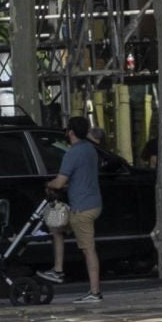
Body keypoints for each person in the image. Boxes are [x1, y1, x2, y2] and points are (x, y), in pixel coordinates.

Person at [43, 114, 103, 304]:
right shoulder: (90, 149)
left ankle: (95, 292)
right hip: (93, 203)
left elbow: (60, 182)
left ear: (70, 132)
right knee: (56, 225)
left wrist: (49, 184)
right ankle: (58, 269)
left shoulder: (72, 153)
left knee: (88, 250)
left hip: (81, 209)